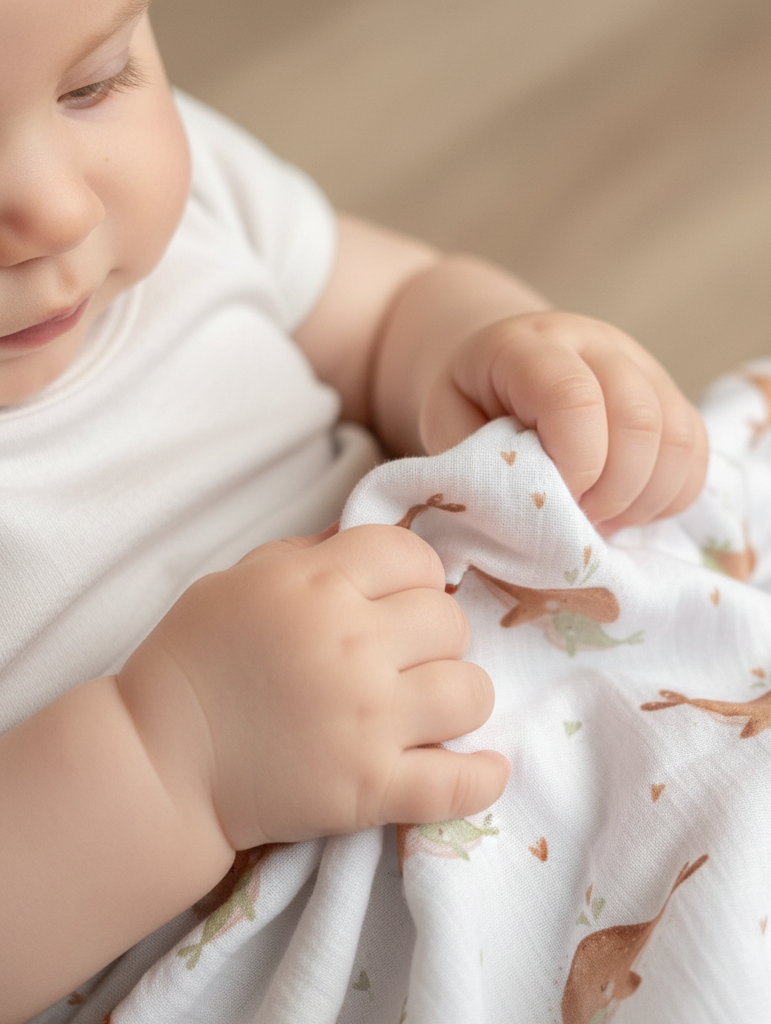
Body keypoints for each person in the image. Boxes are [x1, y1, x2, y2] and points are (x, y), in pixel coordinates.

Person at [0, 0, 708, 1019]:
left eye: (95, 82)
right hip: (329, 935)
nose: (55, 208)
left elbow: (389, 308)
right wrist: (179, 753)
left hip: (561, 697)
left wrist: (495, 347)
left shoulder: (194, 198)